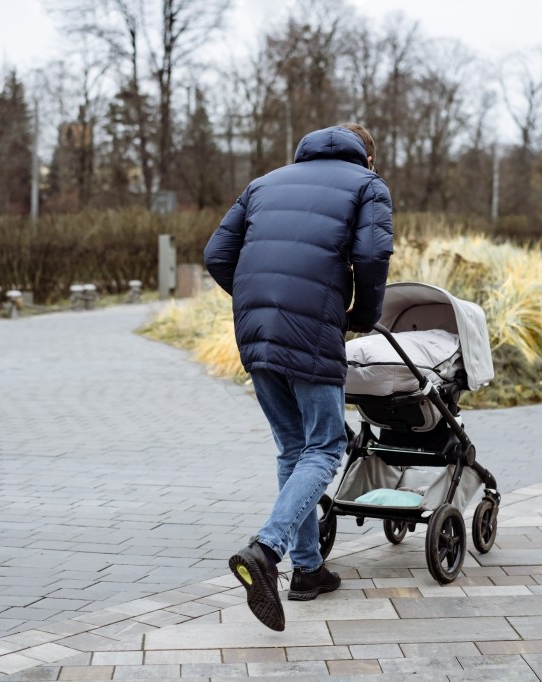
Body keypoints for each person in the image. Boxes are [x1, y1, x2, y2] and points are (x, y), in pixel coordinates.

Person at [202, 123, 393, 631]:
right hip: (312, 330)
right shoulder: (367, 185)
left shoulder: (264, 183)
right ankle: (267, 550)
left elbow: (216, 255)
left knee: (294, 449)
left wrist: (260, 299)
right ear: (367, 158)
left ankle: (308, 570)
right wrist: (360, 315)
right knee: (326, 447)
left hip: (256, 328)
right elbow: (372, 256)